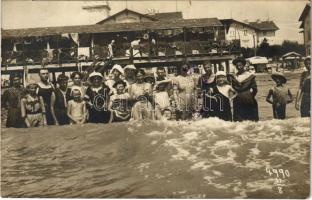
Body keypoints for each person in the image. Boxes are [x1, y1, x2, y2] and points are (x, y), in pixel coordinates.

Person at [228, 57, 259, 121]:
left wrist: (250, 96)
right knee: (241, 119)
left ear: (244, 65)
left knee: (247, 118)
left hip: (247, 98)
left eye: (240, 65)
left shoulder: (250, 76)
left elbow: (255, 88)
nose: (239, 67)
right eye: (237, 66)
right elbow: (254, 90)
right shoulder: (234, 77)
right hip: (239, 99)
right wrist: (250, 95)